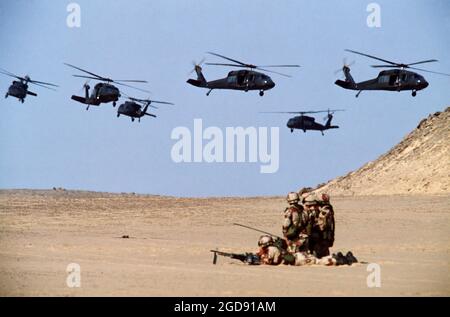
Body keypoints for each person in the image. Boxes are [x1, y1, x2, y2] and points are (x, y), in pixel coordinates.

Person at [303, 193, 332, 258]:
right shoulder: (327, 209)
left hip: (320, 236)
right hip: (323, 236)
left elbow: (321, 226)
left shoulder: (324, 210)